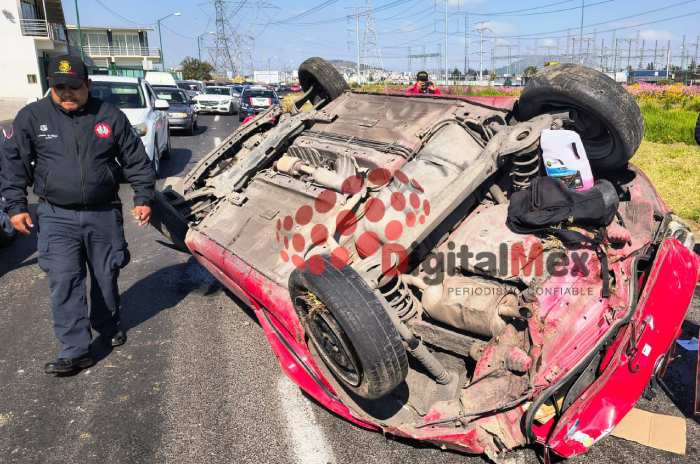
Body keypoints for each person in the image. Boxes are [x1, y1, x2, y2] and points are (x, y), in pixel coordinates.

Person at [0, 55, 155, 375]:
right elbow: (13, 165)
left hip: (103, 214)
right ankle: (75, 350)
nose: (66, 94)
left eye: (73, 87)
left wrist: (143, 197)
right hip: (56, 216)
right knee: (64, 280)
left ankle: (108, 325)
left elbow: (135, 160)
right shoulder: (32, 116)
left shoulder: (109, 115)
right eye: (59, 88)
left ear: (88, 85)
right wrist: (15, 206)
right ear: (50, 88)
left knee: (105, 275)